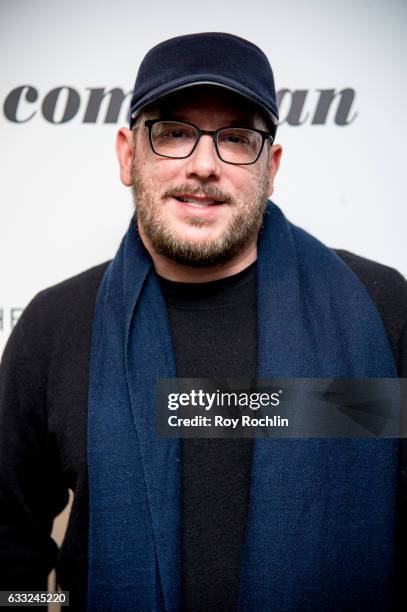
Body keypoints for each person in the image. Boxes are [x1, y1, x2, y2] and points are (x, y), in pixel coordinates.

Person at [0, 32, 406, 612]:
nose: (204, 165)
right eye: (173, 134)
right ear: (126, 154)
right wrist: (34, 610)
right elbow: (8, 549)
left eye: (237, 138)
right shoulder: (56, 325)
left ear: (272, 165)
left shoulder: (378, 312)